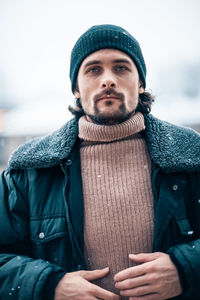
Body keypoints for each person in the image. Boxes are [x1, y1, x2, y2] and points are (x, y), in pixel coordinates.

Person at [0, 24, 200, 300]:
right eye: (93, 69)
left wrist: (186, 269)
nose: (108, 80)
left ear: (140, 83)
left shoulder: (191, 156)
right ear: (76, 88)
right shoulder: (30, 170)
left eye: (121, 68)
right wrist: (49, 285)